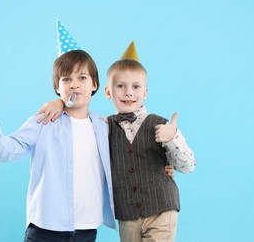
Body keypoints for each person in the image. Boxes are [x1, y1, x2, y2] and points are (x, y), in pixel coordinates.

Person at [36, 41, 196, 242]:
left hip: (161, 208)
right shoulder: (101, 126)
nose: (128, 92)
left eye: (136, 86)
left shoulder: (162, 126)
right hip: (127, 213)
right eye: (120, 86)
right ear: (107, 92)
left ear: (145, 93)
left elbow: (188, 166)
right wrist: (59, 101)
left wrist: (173, 139)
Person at [0, 48, 116, 242]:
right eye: (66, 79)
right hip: (45, 229)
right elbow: (3, 152)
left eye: (82, 78)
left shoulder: (103, 127)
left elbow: (127, 156)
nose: (74, 85)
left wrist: (163, 166)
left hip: (87, 229)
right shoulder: (44, 121)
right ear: (57, 88)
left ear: (95, 85)